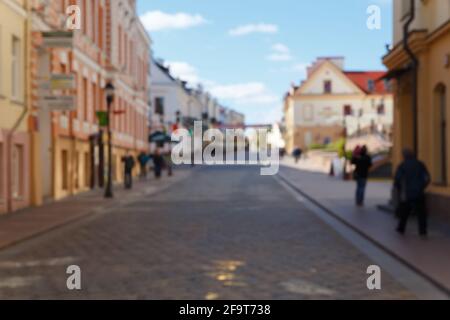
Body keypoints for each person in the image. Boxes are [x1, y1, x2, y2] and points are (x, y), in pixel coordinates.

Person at [394, 148, 430, 237]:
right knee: (421, 213)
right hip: (419, 193)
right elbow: (427, 178)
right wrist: (422, 187)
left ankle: (401, 228)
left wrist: (399, 189)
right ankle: (423, 231)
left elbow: (397, 179)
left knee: (404, 212)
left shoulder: (402, 166)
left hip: (407, 193)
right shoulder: (420, 164)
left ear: (404, 156)